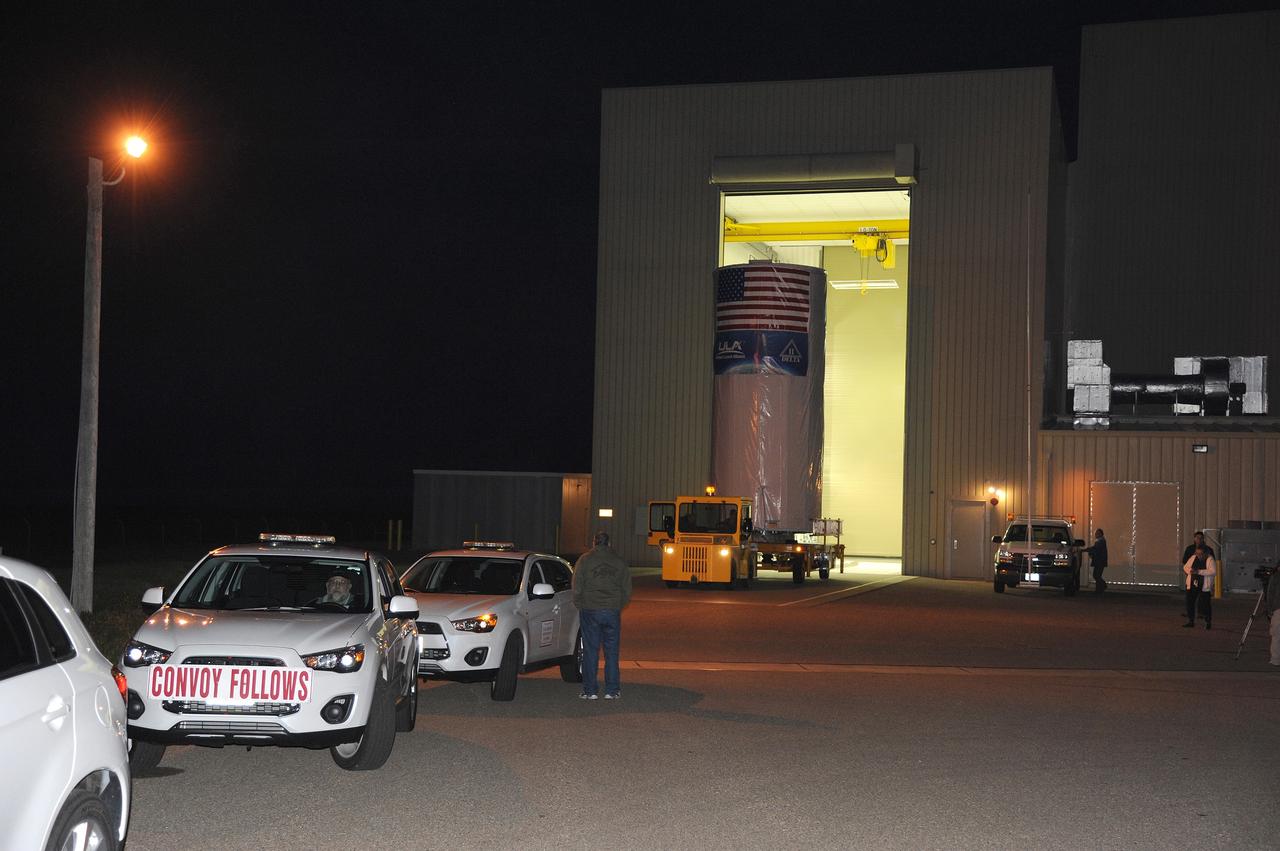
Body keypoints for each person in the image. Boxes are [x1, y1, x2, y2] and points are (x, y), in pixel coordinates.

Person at [573, 530, 632, 700]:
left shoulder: (585, 560)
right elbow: (627, 589)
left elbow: (577, 585)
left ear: (594, 542)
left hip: (590, 610)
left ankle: (590, 690)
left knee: (590, 651)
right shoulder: (619, 561)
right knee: (612, 652)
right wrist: (618, 605)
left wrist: (580, 604)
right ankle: (612, 691)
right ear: (609, 543)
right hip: (612, 611)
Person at [1182, 545, 1216, 629]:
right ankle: (1191, 621)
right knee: (1189, 602)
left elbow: (1213, 572)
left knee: (1206, 604)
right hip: (1192, 584)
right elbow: (1185, 567)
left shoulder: (1210, 560)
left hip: (1204, 585)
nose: (1198, 556)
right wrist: (1191, 571)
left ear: (1205, 553)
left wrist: (1198, 572)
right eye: (1197, 553)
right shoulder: (1193, 558)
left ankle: (1208, 622)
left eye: (1200, 554)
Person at [1085, 528, 1108, 593]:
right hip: (1100, 561)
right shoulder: (1100, 541)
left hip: (1099, 561)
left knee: (1096, 575)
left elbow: (1096, 549)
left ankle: (1101, 587)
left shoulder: (1101, 541)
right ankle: (1100, 588)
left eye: (1097, 533)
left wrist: (1089, 551)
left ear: (1100, 534)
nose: (1095, 534)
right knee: (1097, 575)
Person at [1267, 562, 1280, 667]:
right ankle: (1275, 659)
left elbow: (1270, 594)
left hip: (1277, 609)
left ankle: (1275, 659)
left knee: (1276, 635)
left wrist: (1269, 609)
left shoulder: (1275, 577)